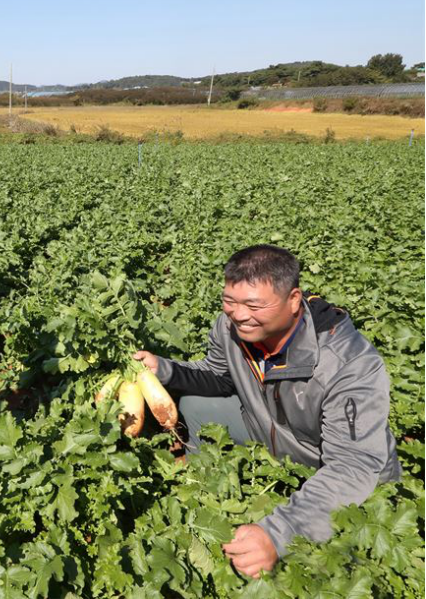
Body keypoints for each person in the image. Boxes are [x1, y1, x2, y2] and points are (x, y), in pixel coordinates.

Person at [134, 244, 401, 578]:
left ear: (293, 300)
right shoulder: (231, 327)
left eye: (253, 305)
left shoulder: (348, 364)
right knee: (195, 405)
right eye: (229, 301)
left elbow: (353, 464)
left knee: (335, 562)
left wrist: (279, 533)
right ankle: (203, 492)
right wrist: (166, 370)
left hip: (336, 465)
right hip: (269, 431)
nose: (239, 314)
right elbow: (218, 377)